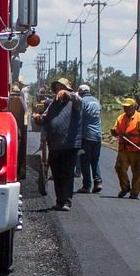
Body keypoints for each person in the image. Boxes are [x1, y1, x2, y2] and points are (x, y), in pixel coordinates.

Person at [41, 77, 83, 210]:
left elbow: (78, 100)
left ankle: (67, 202)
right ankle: (60, 201)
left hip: (69, 144)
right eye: (57, 88)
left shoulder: (74, 101)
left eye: (61, 88)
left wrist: (68, 94)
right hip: (54, 144)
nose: (59, 90)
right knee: (57, 174)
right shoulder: (53, 103)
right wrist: (38, 119)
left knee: (67, 173)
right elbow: (45, 118)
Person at [112, 96, 140, 198]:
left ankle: (134, 193)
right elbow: (116, 130)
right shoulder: (121, 118)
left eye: (128, 107)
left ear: (133, 107)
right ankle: (125, 187)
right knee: (119, 168)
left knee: (137, 171)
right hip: (123, 148)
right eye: (125, 107)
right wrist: (114, 131)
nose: (126, 109)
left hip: (136, 149)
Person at [77, 83, 104, 193]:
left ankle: (86, 185)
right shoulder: (96, 101)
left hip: (86, 136)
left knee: (84, 160)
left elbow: (79, 118)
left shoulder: (82, 102)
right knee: (95, 159)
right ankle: (98, 181)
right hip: (98, 135)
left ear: (80, 93)